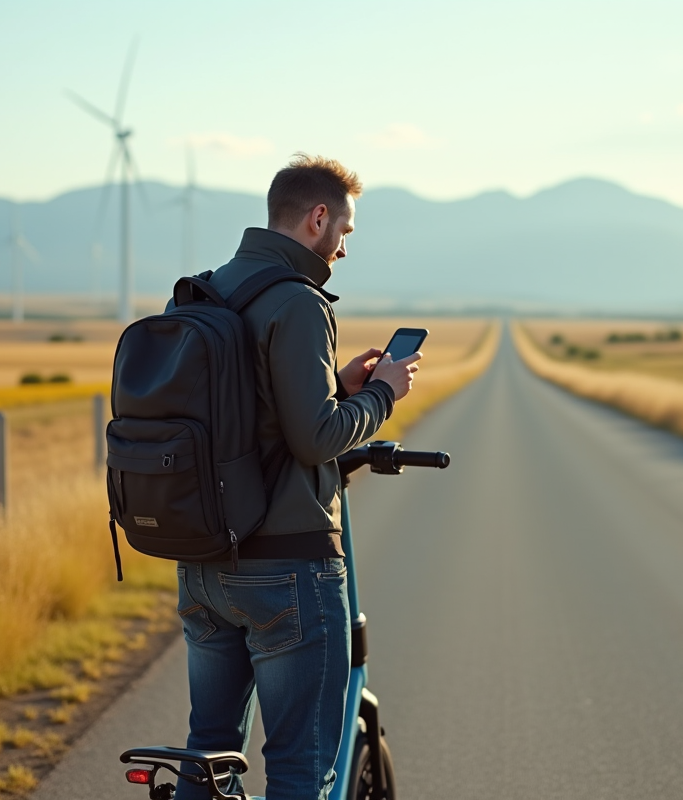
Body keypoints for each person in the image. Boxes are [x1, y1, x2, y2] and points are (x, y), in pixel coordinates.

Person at [173, 154, 420, 800]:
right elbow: (317, 439)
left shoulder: (208, 290)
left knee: (209, 756)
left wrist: (336, 387)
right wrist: (384, 395)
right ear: (318, 219)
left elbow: (250, 416)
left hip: (204, 566)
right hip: (288, 569)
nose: (344, 246)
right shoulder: (299, 303)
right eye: (345, 230)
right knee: (299, 768)